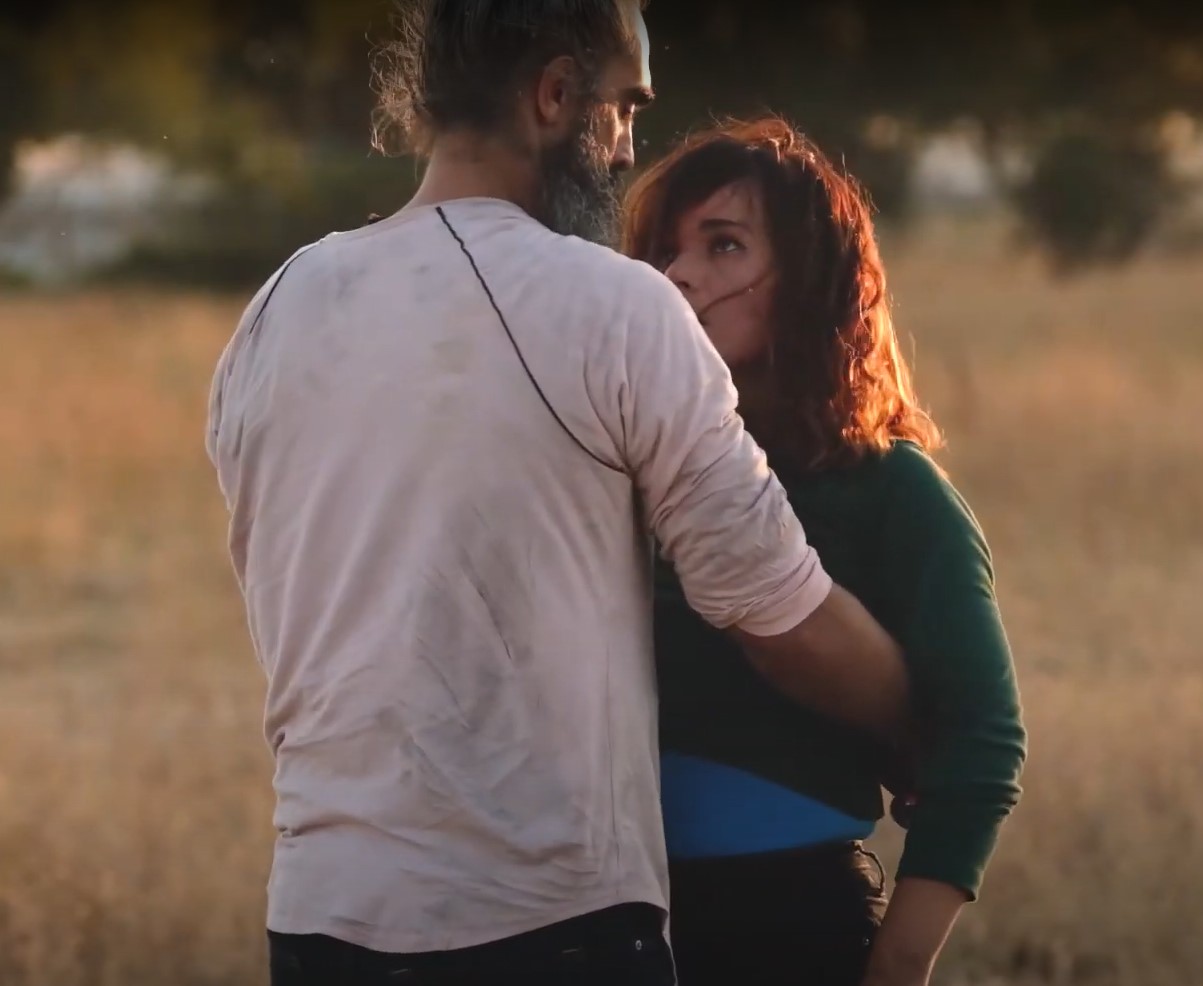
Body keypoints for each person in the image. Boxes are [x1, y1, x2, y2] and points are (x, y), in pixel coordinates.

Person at [206, 4, 908, 984]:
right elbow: (770, 606)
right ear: (554, 94)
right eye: (624, 106)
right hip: (549, 927)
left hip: (319, 920)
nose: (626, 149)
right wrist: (923, 716)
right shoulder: (613, 306)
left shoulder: (276, 308)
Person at [622, 116, 1028, 986]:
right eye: (661, 252)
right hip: (602, 920)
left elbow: (982, 736)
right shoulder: (615, 481)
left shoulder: (888, 489)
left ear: (808, 280)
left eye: (722, 246)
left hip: (785, 918)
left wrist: (899, 960)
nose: (678, 275)